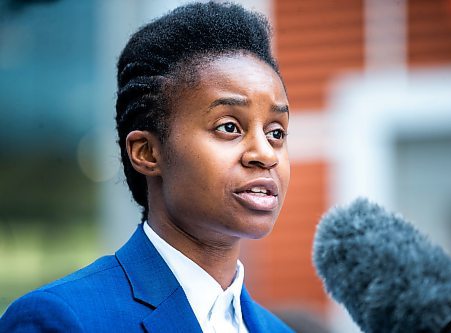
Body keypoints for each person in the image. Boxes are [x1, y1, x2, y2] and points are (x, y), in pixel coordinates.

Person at [0, 2, 293, 332]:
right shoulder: (63, 319)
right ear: (148, 152)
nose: (265, 154)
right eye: (228, 127)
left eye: (276, 132)